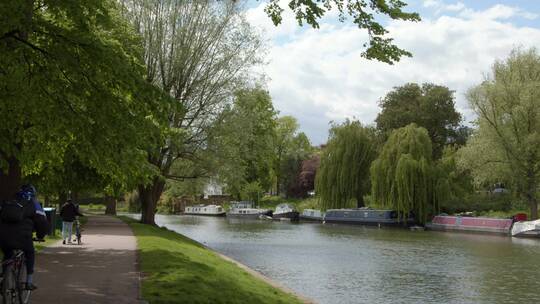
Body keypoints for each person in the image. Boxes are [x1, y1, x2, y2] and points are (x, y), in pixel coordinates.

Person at [0, 184, 49, 290]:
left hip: (3, 237)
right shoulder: (34, 203)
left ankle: (3, 280)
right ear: (33, 194)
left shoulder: (10, 201)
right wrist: (40, 235)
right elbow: (42, 222)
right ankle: (29, 282)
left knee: (8, 254)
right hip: (23, 237)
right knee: (30, 253)